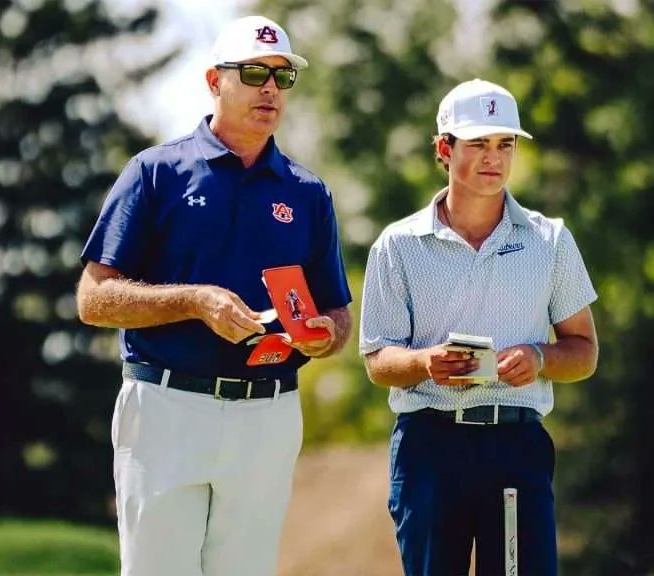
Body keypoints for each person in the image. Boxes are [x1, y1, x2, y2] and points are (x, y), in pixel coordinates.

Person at [76, 15, 352, 576]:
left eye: (282, 77)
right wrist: (195, 301)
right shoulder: (155, 172)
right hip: (166, 407)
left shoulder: (308, 192)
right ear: (213, 81)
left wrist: (324, 337)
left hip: (268, 414)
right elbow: (94, 298)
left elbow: (337, 313)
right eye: (253, 73)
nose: (270, 88)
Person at [359, 79, 599, 576]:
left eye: (504, 144)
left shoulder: (550, 240)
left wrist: (539, 358)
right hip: (428, 445)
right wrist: (425, 363)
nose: (494, 157)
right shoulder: (397, 245)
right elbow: (378, 361)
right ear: (444, 150)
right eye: (478, 144)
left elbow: (583, 351)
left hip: (516, 444)